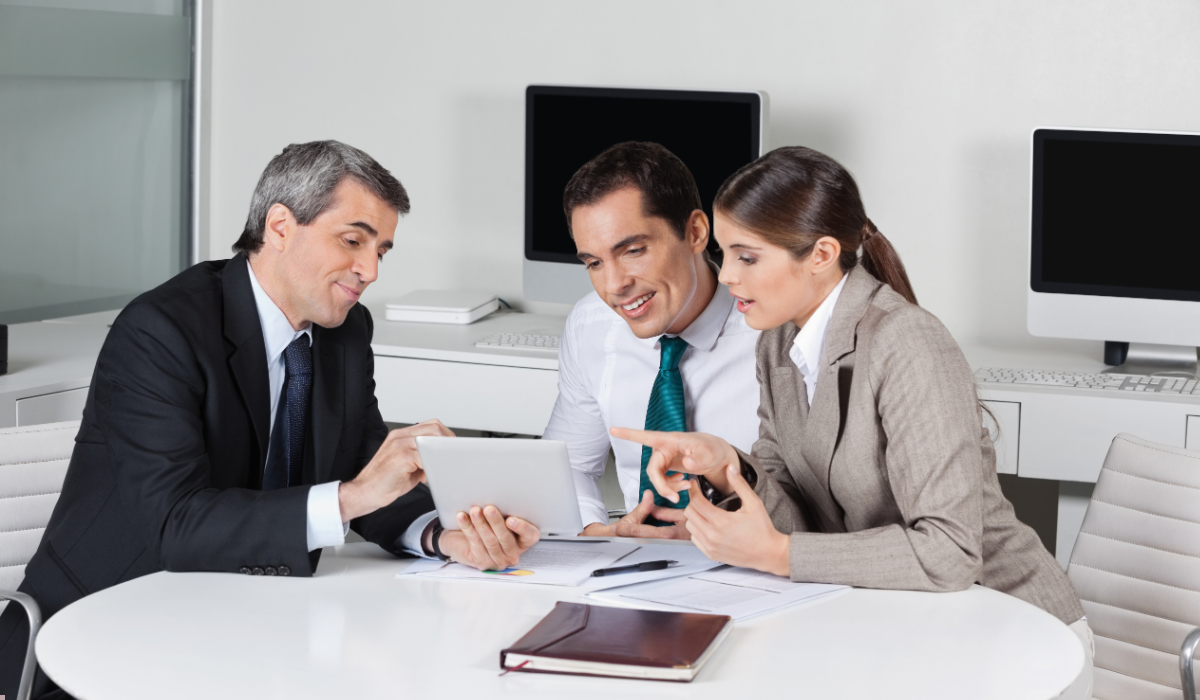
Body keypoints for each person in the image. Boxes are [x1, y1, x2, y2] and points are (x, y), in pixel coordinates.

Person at [0, 141, 539, 700]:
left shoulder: (345, 332)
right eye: (353, 241)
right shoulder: (161, 330)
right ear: (280, 226)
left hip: (245, 627)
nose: (371, 270)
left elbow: (364, 464)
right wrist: (350, 498)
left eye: (382, 250)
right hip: (94, 639)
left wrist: (443, 536)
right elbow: (175, 526)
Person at [613, 146, 1093, 681]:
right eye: (724, 255)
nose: (726, 276)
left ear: (821, 254)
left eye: (747, 258)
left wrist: (778, 554)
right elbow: (796, 506)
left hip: (1011, 630)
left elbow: (951, 552)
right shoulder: (777, 341)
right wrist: (728, 466)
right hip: (898, 622)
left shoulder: (907, 343)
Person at [543, 141, 761, 538]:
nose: (614, 285)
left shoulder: (770, 330)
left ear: (695, 233)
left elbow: (815, 496)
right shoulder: (592, 325)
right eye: (594, 263)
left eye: (633, 251)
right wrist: (594, 531)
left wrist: (723, 533)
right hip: (635, 561)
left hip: (751, 560)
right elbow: (568, 464)